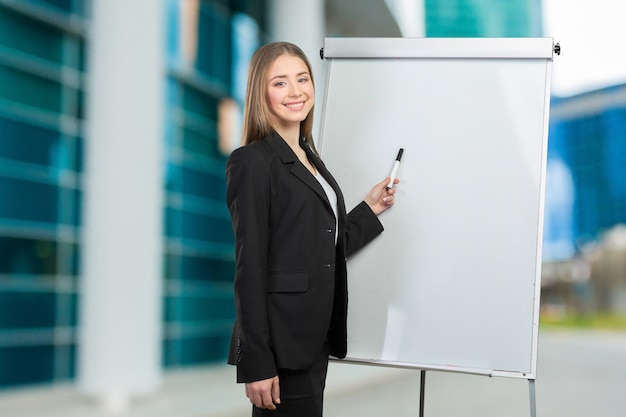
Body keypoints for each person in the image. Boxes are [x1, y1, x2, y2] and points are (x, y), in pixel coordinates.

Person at [225, 41, 398, 417]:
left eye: (302, 79)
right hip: (281, 347)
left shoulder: (309, 158)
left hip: (312, 337)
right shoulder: (252, 162)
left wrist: (370, 208)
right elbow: (249, 268)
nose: (296, 91)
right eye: (280, 82)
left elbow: (321, 248)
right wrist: (256, 362)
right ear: (260, 92)